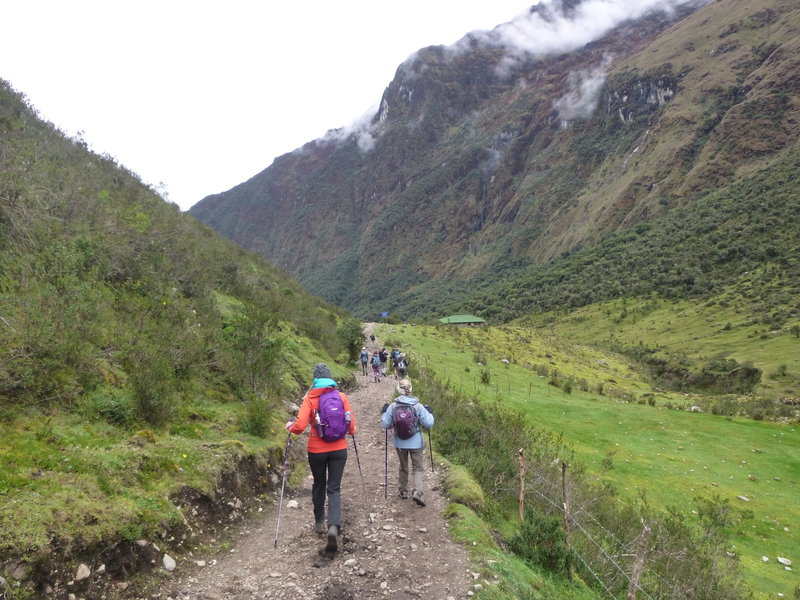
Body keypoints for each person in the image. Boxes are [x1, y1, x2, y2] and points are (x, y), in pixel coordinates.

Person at [286, 363, 355, 552]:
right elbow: (351, 426)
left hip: (316, 450)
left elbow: (299, 426)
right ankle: (333, 525)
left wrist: (290, 427)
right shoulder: (341, 397)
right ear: (330, 378)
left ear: (315, 379)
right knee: (334, 487)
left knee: (319, 484)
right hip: (339, 449)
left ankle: (318, 523)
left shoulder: (309, 398)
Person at [381, 378, 434, 506]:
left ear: (398, 390)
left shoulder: (393, 406)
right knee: (417, 467)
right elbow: (429, 423)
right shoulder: (418, 406)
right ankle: (417, 492)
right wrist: (429, 412)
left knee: (403, 466)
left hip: (400, 443)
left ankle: (403, 491)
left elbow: (385, 424)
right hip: (416, 442)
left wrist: (384, 412)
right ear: (411, 389)